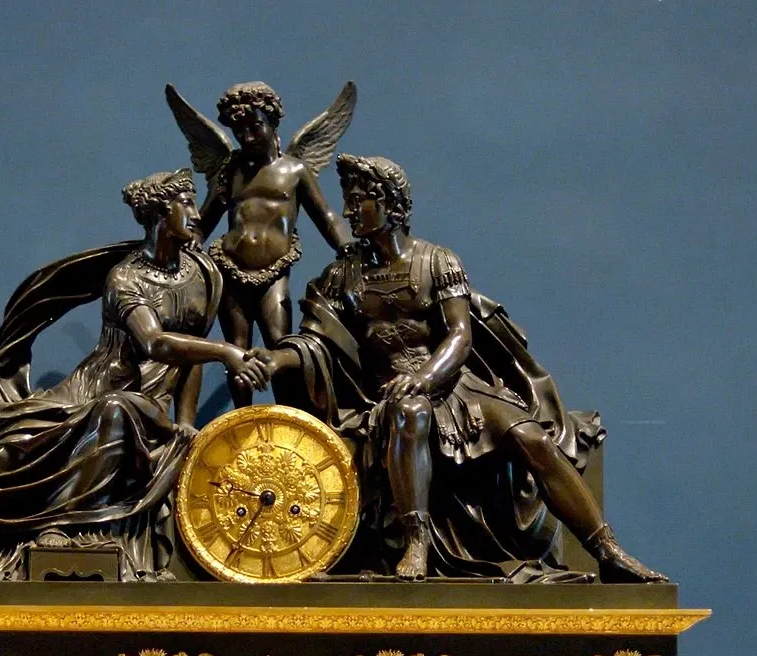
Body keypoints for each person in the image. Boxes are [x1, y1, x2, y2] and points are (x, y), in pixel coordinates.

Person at [252, 154, 667, 583]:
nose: (347, 212)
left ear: (390, 204)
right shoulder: (343, 275)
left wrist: (425, 377)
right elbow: (315, 343)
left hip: (455, 387)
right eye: (348, 201)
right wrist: (274, 359)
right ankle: (417, 541)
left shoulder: (437, 262)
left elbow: (460, 335)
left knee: (532, 438)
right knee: (410, 413)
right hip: (389, 398)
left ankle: (607, 549)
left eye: (358, 201)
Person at [0, 168, 268, 581]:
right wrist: (227, 351)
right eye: (185, 203)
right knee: (15, 442)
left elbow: (189, 352)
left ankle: (62, 525)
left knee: (116, 411)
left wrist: (185, 421)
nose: (197, 214)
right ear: (159, 213)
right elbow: (154, 343)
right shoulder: (125, 278)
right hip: (90, 389)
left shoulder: (202, 274)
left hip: (143, 403)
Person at [165, 81, 355, 407]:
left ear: (272, 121)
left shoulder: (295, 170)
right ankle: (242, 419)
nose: (248, 137)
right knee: (237, 349)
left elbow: (326, 216)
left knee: (280, 344)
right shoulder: (230, 171)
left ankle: (286, 416)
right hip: (230, 270)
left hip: (273, 274)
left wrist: (347, 247)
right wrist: (183, 250)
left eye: (255, 127)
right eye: (240, 131)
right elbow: (204, 221)